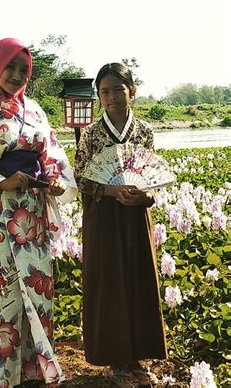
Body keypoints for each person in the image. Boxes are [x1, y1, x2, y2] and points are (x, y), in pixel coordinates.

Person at [0, 38, 77, 387]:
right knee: (2, 300)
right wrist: (1, 182)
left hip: (32, 216)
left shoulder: (34, 110)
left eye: (24, 70)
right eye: (11, 67)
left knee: (37, 294)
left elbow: (51, 153)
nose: (17, 76)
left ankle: (34, 374)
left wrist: (52, 180)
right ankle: (3, 379)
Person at [74, 63, 166, 387]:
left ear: (132, 91)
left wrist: (142, 197)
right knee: (110, 286)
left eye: (118, 90)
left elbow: (151, 178)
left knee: (137, 283)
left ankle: (137, 357)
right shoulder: (91, 134)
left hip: (135, 215)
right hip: (104, 217)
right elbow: (81, 177)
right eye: (104, 92)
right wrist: (111, 190)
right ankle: (117, 363)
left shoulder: (144, 132)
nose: (111, 97)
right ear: (99, 97)